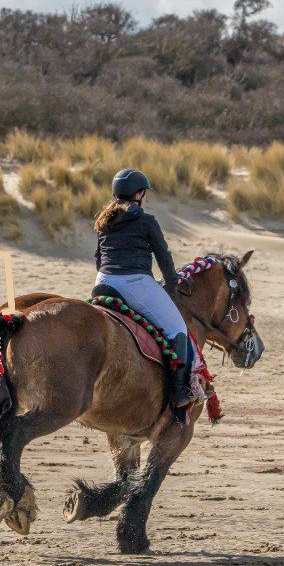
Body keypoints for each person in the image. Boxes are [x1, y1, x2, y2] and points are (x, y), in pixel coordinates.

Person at [93, 168, 193, 407]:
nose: (145, 197)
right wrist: (171, 289)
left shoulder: (104, 220)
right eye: (144, 193)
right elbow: (164, 259)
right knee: (178, 328)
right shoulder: (146, 220)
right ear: (138, 194)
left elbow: (98, 258)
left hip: (103, 282)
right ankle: (179, 392)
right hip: (135, 284)